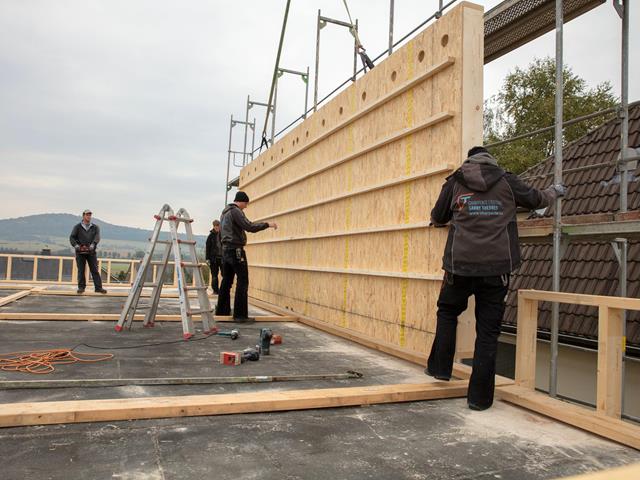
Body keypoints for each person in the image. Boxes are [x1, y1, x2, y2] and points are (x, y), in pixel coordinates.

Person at [425, 146, 564, 410]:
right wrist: (554, 192)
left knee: (447, 312)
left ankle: (441, 369)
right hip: (495, 270)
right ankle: (478, 400)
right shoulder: (506, 181)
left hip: (459, 267)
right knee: (487, 332)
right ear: (491, 161)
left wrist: (443, 218)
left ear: (469, 160)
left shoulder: (455, 181)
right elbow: (537, 200)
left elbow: (438, 215)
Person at [215, 191, 277, 322]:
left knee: (226, 281)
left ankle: (222, 311)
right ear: (241, 201)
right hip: (236, 250)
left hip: (226, 251)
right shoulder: (236, 211)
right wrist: (267, 224)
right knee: (243, 281)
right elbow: (249, 226)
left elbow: (219, 235)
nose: (246, 206)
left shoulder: (224, 213)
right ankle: (240, 315)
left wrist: (222, 252)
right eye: (246, 204)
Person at [69, 209, 107, 294]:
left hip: (91, 252)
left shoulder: (95, 227)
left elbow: (97, 237)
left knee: (94, 270)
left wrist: (93, 244)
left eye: (90, 215)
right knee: (81, 270)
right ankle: (81, 287)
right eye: (87, 215)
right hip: (80, 252)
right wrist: (76, 246)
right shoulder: (77, 227)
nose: (89, 216)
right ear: (83, 216)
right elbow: (72, 237)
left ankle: (98, 288)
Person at [205, 219, 223, 294]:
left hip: (222, 258)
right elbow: (207, 248)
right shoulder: (210, 236)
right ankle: (215, 290)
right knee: (214, 275)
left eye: (218, 226)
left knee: (225, 274)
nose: (217, 227)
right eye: (215, 226)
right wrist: (207, 258)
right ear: (213, 226)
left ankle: (223, 289)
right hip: (213, 259)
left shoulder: (223, 235)